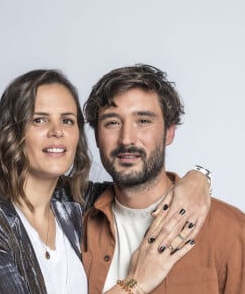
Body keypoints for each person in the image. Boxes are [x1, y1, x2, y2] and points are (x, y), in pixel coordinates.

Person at [0, 69, 210, 294]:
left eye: (67, 121)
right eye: (39, 119)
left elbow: (139, 186)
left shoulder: (71, 203)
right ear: (11, 132)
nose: (57, 131)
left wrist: (198, 179)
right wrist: (135, 283)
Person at [82, 64, 245, 294]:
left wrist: (202, 175)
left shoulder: (230, 230)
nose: (127, 139)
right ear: (97, 136)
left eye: (143, 121)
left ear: (169, 132)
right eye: (112, 123)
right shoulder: (75, 223)